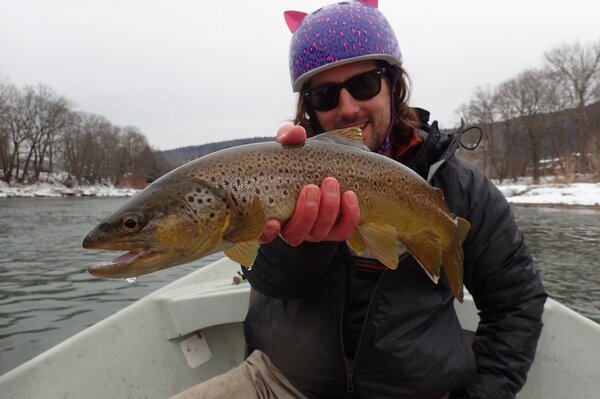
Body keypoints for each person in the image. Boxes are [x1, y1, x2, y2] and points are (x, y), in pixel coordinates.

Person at [171, 1, 547, 398]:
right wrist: (305, 244)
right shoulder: (274, 174)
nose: (348, 107)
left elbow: (517, 304)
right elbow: (270, 283)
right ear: (309, 107)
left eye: (365, 84)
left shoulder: (462, 190)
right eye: (325, 94)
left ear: (393, 84)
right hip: (281, 382)